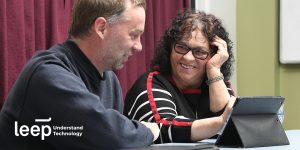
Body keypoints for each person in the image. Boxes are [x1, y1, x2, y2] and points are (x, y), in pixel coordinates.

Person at [0, 0, 159, 149]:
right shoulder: (46, 73)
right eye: (133, 35)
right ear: (101, 28)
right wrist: (148, 130)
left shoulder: (110, 81)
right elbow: (111, 137)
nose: (139, 46)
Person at [124, 10, 236, 143]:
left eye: (200, 51)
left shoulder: (215, 84)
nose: (188, 57)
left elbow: (231, 131)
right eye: (181, 47)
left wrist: (214, 69)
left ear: (214, 56)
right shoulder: (150, 84)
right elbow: (163, 128)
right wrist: (220, 122)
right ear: (170, 49)